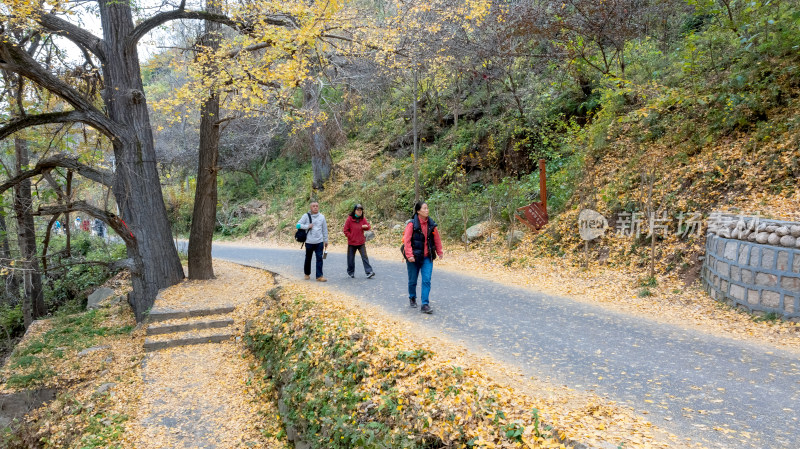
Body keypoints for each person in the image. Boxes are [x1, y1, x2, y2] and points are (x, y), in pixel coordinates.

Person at [403, 201, 444, 314]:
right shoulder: (412, 224)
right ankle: (412, 297)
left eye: (427, 208)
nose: (427, 210)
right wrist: (409, 255)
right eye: (424, 208)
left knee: (426, 280)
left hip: (427, 257)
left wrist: (439, 251)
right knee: (413, 281)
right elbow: (407, 241)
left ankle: (425, 304)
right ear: (418, 211)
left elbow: (437, 239)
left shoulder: (431, 224)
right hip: (414, 257)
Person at [296, 201, 329, 282]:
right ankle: (307, 273)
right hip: (309, 242)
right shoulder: (306, 216)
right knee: (308, 258)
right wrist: (307, 226)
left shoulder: (322, 217)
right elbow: (298, 225)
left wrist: (326, 240)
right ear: (310, 207)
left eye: (317, 206)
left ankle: (319, 276)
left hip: (319, 242)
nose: (315, 207)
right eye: (313, 206)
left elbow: (324, 229)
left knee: (319, 259)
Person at [343, 204, 375, 279]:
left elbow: (368, 226)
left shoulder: (362, 219)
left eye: (361, 210)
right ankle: (350, 272)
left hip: (361, 242)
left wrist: (366, 227)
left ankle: (369, 272)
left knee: (365, 257)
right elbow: (345, 230)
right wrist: (351, 237)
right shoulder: (349, 219)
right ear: (354, 211)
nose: (359, 211)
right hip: (352, 242)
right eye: (358, 210)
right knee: (350, 258)